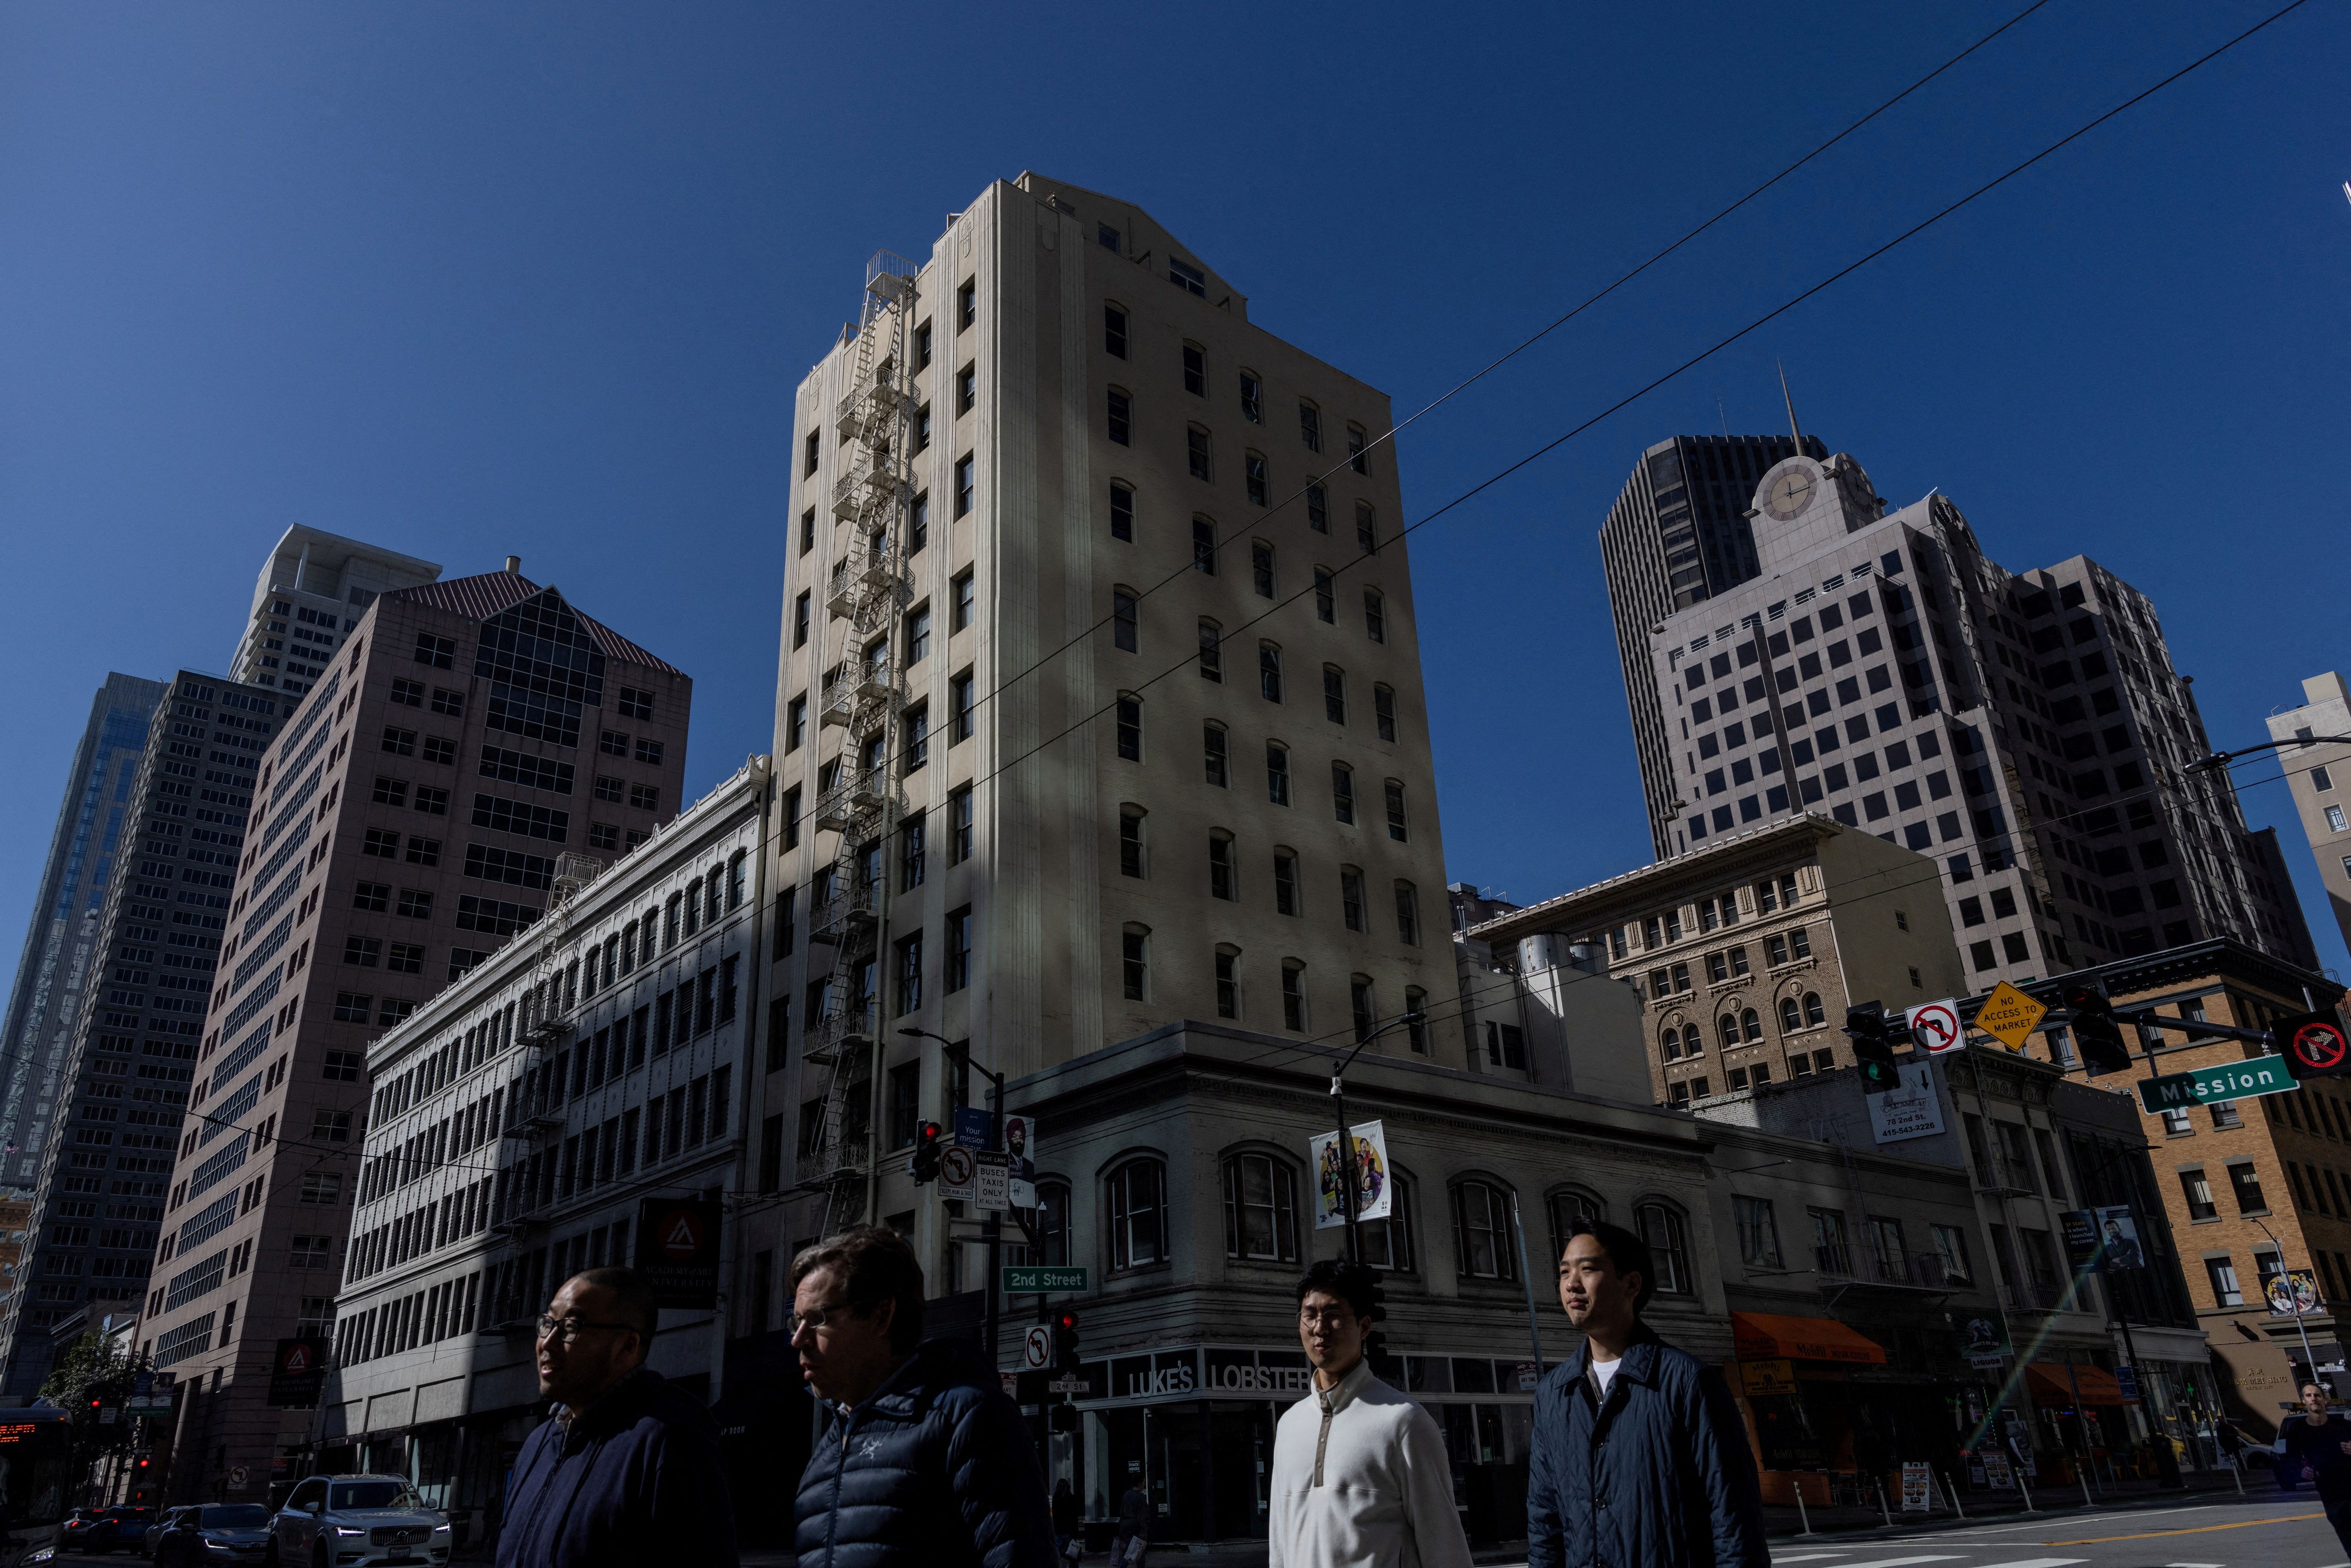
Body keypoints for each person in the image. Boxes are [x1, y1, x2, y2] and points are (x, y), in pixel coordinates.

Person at [790, 1225, 1057, 1566]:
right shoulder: (828, 1448)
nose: (798, 1339)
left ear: (881, 1315)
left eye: (817, 1319)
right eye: (796, 1321)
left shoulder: (969, 1420)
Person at [1528, 1221, 1767, 1568]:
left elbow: (1733, 1515)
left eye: (1588, 1269)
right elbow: (1544, 1519)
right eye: (1565, 1272)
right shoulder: (1554, 1393)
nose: (1571, 1284)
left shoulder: (1686, 1382)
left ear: (1632, 1284)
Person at [497, 1267, 737, 1568]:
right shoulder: (537, 1444)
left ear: (627, 1345)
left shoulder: (670, 1440)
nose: (547, 1342)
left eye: (570, 1326)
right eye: (547, 1323)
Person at [1268, 1259, 1470, 1568]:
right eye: (1309, 1315)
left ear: (1364, 1326)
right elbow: (1280, 1543)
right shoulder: (1289, 1425)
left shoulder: (1404, 1421)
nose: (1319, 1327)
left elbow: (1444, 1546)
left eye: (1333, 1315)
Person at [2285, 1380, 2351, 1546]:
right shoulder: (2297, 1430)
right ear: (2304, 1401)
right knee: (2347, 1536)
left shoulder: (2343, 1425)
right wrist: (2302, 1470)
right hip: (2331, 1492)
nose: (2313, 1398)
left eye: (2317, 1395)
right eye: (2309, 1396)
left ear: (2325, 1400)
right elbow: (2291, 1458)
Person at [1109, 1480, 1150, 1567]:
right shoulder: (1140, 1497)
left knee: (1130, 1549)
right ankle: (1123, 1566)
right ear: (1139, 1484)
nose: (1144, 1484)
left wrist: (1121, 1527)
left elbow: (1122, 1512)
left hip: (1125, 1526)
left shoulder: (1127, 1495)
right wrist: (1143, 1530)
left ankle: (1122, 1566)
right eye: (1143, 1482)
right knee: (1139, 1549)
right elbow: (1142, 1515)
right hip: (1136, 1526)